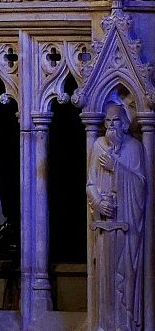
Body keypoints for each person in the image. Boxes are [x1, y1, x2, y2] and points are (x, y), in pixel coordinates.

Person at [86, 103, 145, 327]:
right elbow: (90, 184)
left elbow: (141, 185)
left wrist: (116, 168)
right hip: (104, 225)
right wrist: (99, 202)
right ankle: (103, 323)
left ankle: (127, 324)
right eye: (108, 122)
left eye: (116, 121)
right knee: (103, 275)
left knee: (127, 274)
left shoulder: (135, 148)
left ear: (125, 124)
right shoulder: (98, 146)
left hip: (128, 226)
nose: (112, 126)